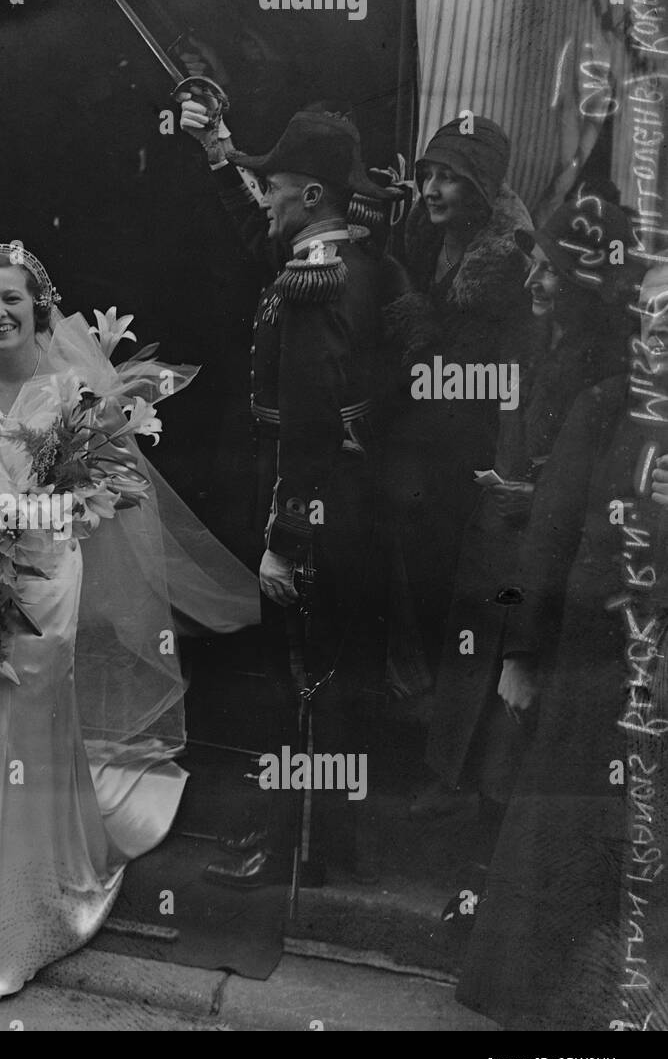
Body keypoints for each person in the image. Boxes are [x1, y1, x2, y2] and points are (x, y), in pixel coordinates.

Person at [0, 244, 260, 1014]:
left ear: (39, 307)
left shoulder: (73, 388)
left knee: (13, 739)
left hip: (42, 582)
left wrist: (19, 521)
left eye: (11, 299)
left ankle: (8, 933)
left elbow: (112, 492)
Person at [179, 103, 398, 885]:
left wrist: (283, 538)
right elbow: (260, 241)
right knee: (320, 675)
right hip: (343, 509)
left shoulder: (317, 281)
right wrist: (216, 157)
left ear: (310, 197)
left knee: (302, 680)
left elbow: (309, 423)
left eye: (274, 187)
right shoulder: (344, 262)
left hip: (313, 512)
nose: (264, 198)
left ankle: (295, 848)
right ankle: (315, 841)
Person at [423, 190, 639, 925]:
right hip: (505, 556)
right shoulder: (530, 340)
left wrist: (535, 492)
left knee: (522, 728)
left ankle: (496, 892)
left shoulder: (606, 374)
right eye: (534, 264)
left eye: (551, 270)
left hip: (550, 575)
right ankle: (481, 872)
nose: (534, 282)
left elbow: (594, 495)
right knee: (489, 717)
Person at [454, 260, 654, 1030]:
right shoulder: (605, 409)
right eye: (654, 320)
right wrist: (521, 654)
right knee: (568, 845)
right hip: (591, 672)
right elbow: (549, 539)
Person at [382, 117, 533, 719]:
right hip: (419, 438)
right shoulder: (421, 238)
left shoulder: (505, 266)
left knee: (447, 576)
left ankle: (442, 717)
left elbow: (470, 376)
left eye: (451, 179)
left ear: (483, 188)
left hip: (468, 446)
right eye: (428, 176)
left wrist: (416, 329)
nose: (432, 191)